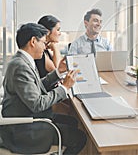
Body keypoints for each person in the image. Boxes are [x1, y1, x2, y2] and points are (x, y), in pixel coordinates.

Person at [1, 23, 86, 154]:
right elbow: (37, 104)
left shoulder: (22, 60)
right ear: (33, 41)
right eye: (44, 42)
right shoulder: (20, 66)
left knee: (72, 121)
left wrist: (58, 72)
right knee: (80, 138)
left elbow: (36, 86)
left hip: (28, 116)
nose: (45, 47)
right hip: (22, 129)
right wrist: (64, 87)